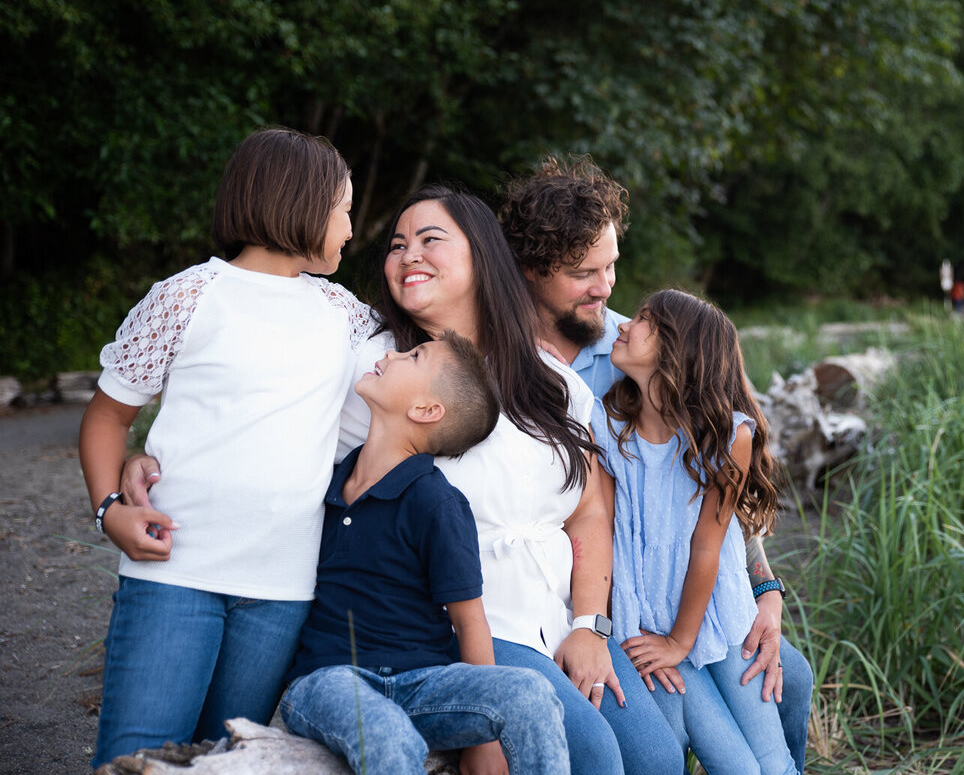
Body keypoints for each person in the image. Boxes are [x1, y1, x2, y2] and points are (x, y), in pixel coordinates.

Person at [119, 183, 681, 775]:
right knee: (596, 757)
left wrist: (591, 625)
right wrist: (157, 460)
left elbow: (590, 507)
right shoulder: (373, 367)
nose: (408, 254)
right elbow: (269, 437)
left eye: (430, 239)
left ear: (481, 254)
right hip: (463, 623)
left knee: (658, 758)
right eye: (396, 244)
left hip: (562, 615)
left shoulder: (549, 375)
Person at [499, 155, 814, 770]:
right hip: (606, 607)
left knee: (790, 677)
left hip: (698, 603)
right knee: (664, 724)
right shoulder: (512, 366)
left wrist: (767, 587)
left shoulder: (653, 346)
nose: (607, 288)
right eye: (585, 272)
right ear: (532, 272)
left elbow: (714, 493)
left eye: (612, 265)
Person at [80, 127, 373, 767]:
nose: (352, 227)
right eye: (345, 208)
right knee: (140, 758)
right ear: (299, 202)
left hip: (282, 588)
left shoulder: (345, 314)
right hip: (173, 568)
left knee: (225, 760)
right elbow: (106, 417)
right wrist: (110, 509)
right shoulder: (185, 296)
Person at [280, 331, 569, 775]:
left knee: (530, 692)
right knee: (388, 732)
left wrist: (484, 744)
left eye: (413, 356)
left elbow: (469, 621)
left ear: (425, 410)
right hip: (330, 679)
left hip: (423, 685)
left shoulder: (437, 503)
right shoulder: (330, 476)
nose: (391, 355)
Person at [595, 288, 796, 775]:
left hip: (718, 618)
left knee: (772, 760)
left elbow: (707, 546)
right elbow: (601, 534)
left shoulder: (729, 437)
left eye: (643, 320)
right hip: (644, 625)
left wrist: (681, 641)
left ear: (678, 351)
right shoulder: (605, 424)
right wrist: (653, 639)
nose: (622, 324)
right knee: (740, 768)